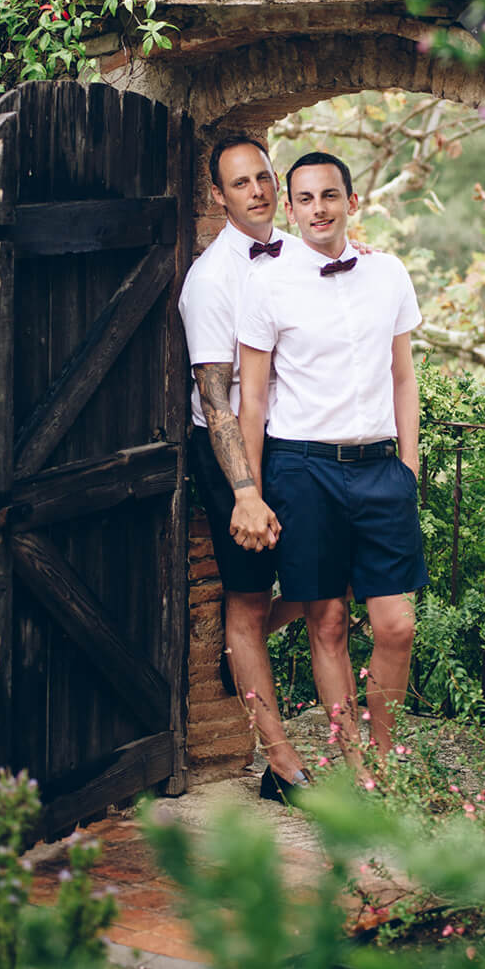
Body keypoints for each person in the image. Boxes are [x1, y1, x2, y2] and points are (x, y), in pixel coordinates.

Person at [237, 150, 426, 768]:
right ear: (289, 209)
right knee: (328, 622)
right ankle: (359, 769)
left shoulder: (388, 272)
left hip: (379, 468)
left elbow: (403, 375)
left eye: (330, 196)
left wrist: (410, 464)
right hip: (302, 468)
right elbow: (255, 398)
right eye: (306, 199)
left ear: (352, 201)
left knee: (396, 623)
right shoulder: (264, 282)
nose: (319, 209)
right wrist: (252, 492)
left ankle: (383, 748)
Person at [176, 135, 311, 803]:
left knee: (330, 579)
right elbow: (215, 399)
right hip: (230, 448)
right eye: (240, 183)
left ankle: (243, 644)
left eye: (263, 176)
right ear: (218, 196)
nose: (257, 190)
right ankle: (282, 766)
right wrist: (245, 490)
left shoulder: (300, 256)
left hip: (297, 437)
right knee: (248, 595)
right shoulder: (210, 280)